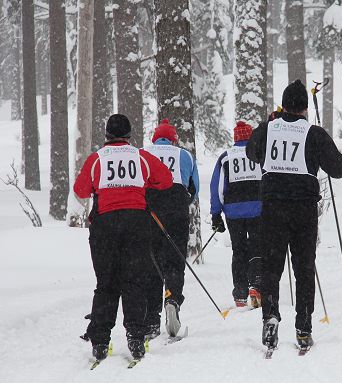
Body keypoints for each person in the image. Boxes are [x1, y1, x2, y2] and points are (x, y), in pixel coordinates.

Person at [246, 79, 342, 350]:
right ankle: (303, 326)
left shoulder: (267, 129)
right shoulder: (313, 133)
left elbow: (251, 152)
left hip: (273, 207)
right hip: (303, 209)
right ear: (304, 107)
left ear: (283, 105)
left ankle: (270, 316)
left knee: (271, 267)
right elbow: (338, 169)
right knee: (303, 268)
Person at [73, 114, 173, 362]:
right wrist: (143, 185)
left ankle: (100, 341)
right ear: (129, 135)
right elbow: (166, 180)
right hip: (136, 223)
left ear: (107, 135)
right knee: (135, 281)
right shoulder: (140, 157)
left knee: (106, 284)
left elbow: (80, 190)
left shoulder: (97, 159)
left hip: (104, 225)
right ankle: (136, 338)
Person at [143, 119, 199, 339]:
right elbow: (194, 189)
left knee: (152, 262)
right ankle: (173, 299)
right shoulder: (183, 155)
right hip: (176, 208)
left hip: (150, 212)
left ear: (155, 139)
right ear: (174, 139)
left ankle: (151, 319)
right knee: (175, 261)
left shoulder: (143, 154)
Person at [209, 121, 262, 308]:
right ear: (250, 136)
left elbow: (217, 188)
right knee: (257, 246)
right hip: (257, 209)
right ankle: (256, 284)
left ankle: (240, 292)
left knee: (238, 250)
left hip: (234, 212)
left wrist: (216, 214)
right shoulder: (258, 154)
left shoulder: (226, 158)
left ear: (235, 138)